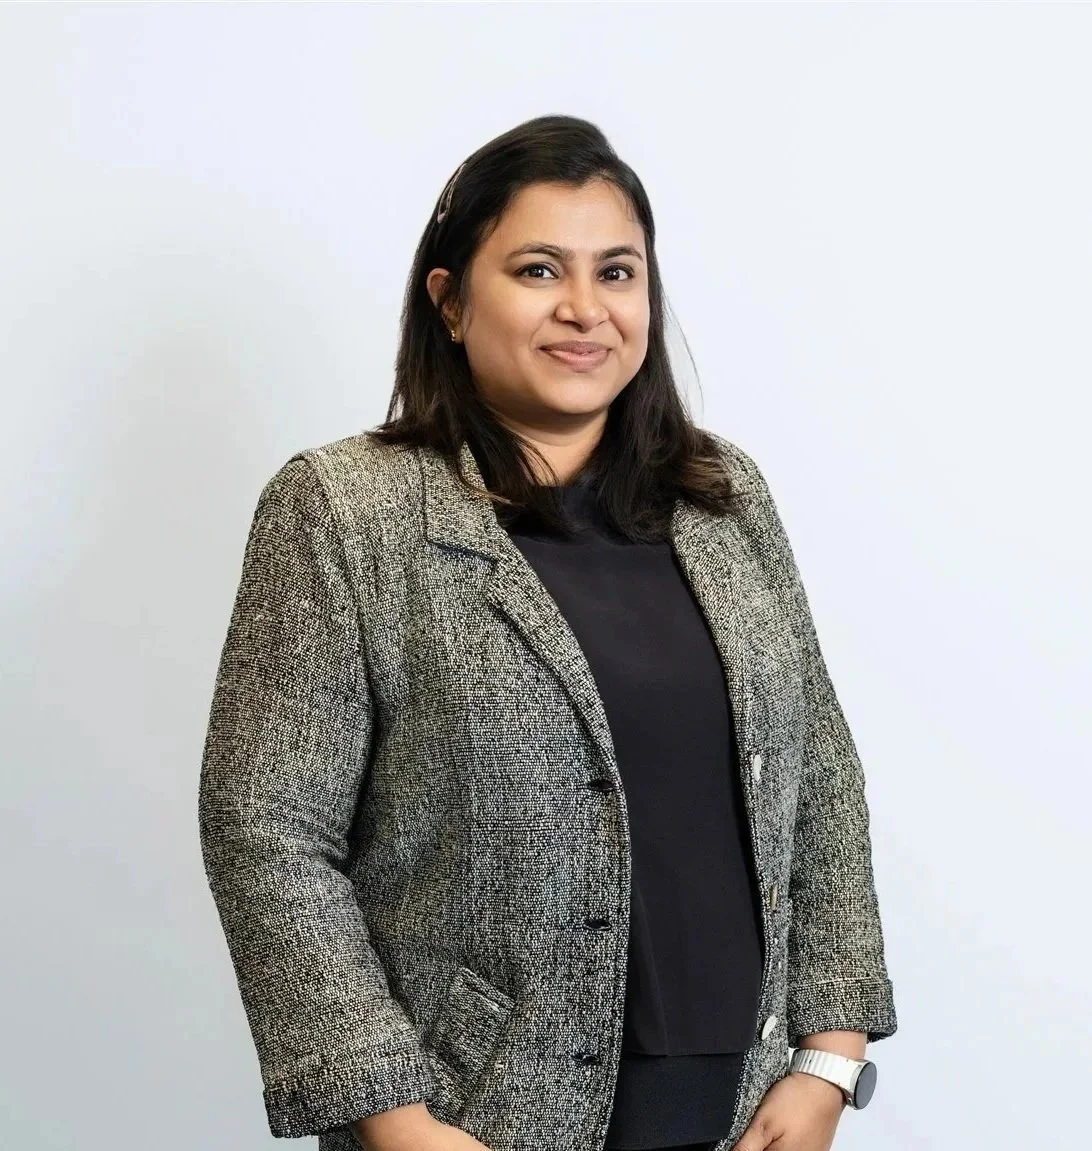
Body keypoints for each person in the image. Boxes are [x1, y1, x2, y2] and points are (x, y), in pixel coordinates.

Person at [198, 114, 898, 1151]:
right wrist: (394, 1117)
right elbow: (267, 831)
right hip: (474, 1118)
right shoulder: (346, 510)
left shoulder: (725, 499)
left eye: (617, 272)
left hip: (747, 1112)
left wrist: (829, 1058)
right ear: (449, 299)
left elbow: (820, 777)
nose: (585, 309)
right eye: (537, 269)